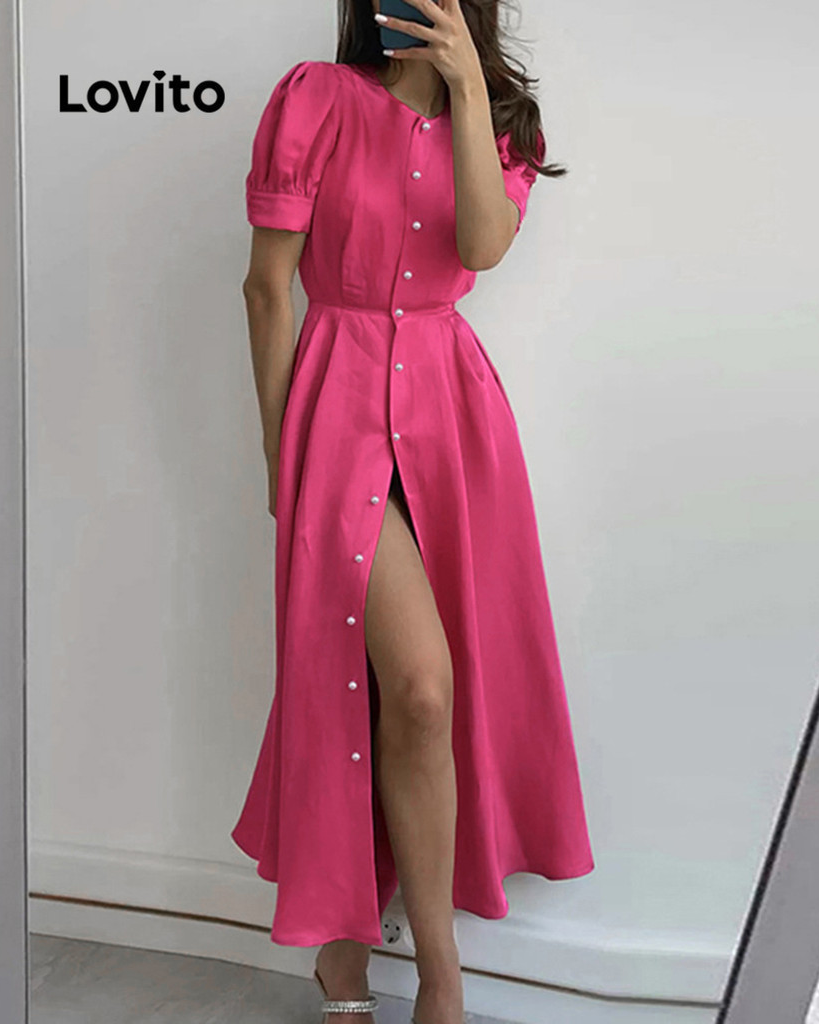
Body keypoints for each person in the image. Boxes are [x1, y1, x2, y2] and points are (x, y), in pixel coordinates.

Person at [235, 2, 595, 1022]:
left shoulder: (508, 125)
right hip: (335, 404)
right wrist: (279, 452)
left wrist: (470, 85)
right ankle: (422, 970)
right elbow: (266, 287)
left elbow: (480, 246)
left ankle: (400, 966)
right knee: (415, 685)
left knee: (422, 692)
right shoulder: (316, 99)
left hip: (453, 416)